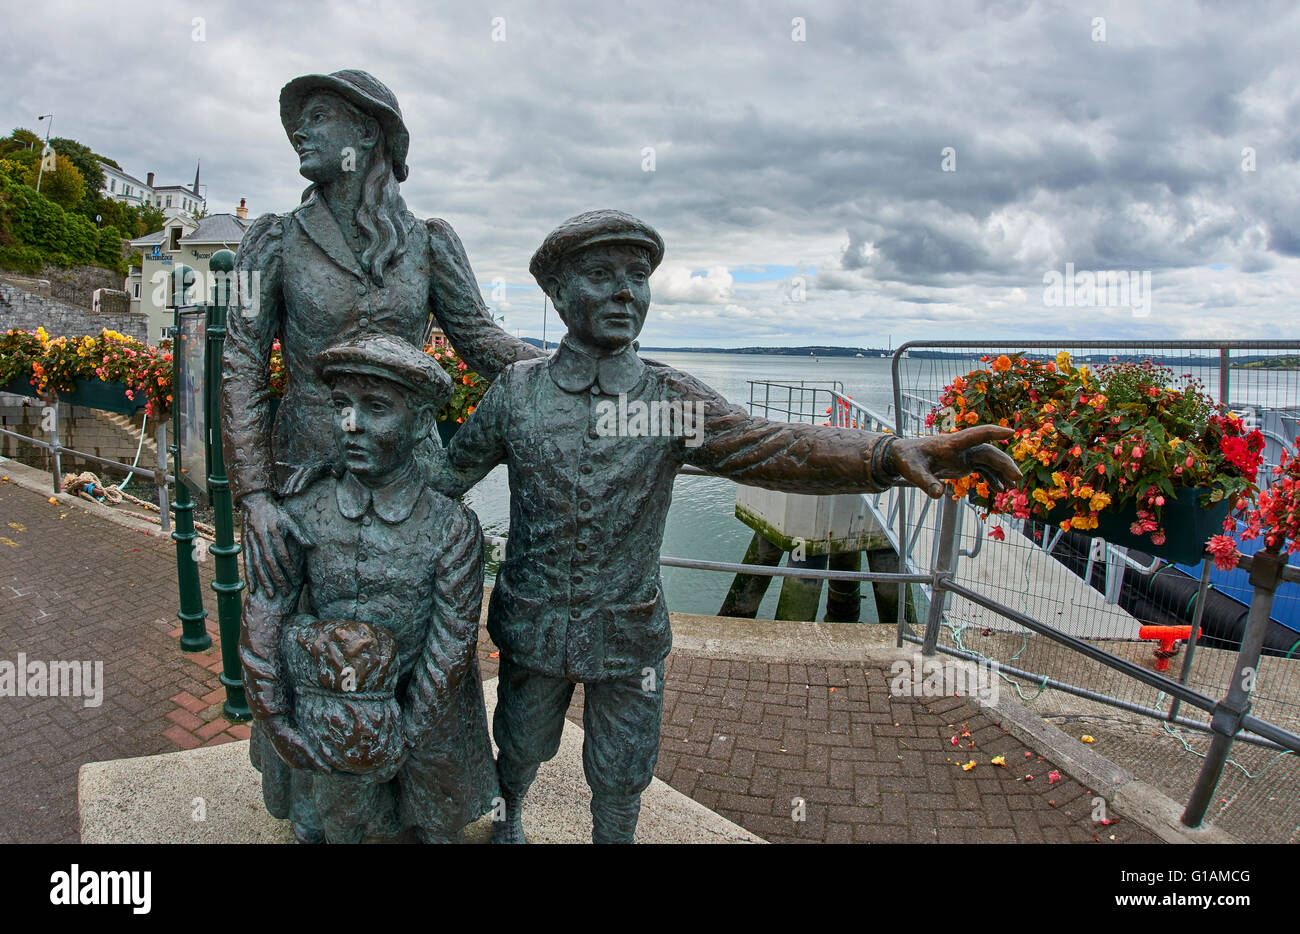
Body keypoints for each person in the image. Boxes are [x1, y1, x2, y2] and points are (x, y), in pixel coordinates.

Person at [445, 209, 1021, 843]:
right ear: (555, 293)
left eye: (638, 276)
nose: (624, 292)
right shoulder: (515, 393)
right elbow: (445, 484)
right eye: (600, 274)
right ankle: (511, 819)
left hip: (628, 628)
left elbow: (774, 447)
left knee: (623, 769)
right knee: (522, 743)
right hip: (534, 619)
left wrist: (888, 454)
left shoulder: (670, 401)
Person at [222, 69, 540, 599]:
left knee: (414, 625)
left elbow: (483, 342)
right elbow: (241, 362)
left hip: (412, 475)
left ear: (368, 132)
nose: (300, 134)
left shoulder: (429, 243)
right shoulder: (275, 239)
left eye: (318, 118)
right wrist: (255, 496)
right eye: (299, 124)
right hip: (304, 473)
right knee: (301, 624)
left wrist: (573, 366)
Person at [239, 334, 496, 843]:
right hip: (319, 701)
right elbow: (263, 618)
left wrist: (404, 735)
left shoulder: (451, 528)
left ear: (422, 423)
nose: (349, 424)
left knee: (433, 817)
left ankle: (422, 810)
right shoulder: (303, 511)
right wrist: (276, 719)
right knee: (314, 827)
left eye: (375, 407)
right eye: (341, 405)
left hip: (421, 705)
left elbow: (450, 649)